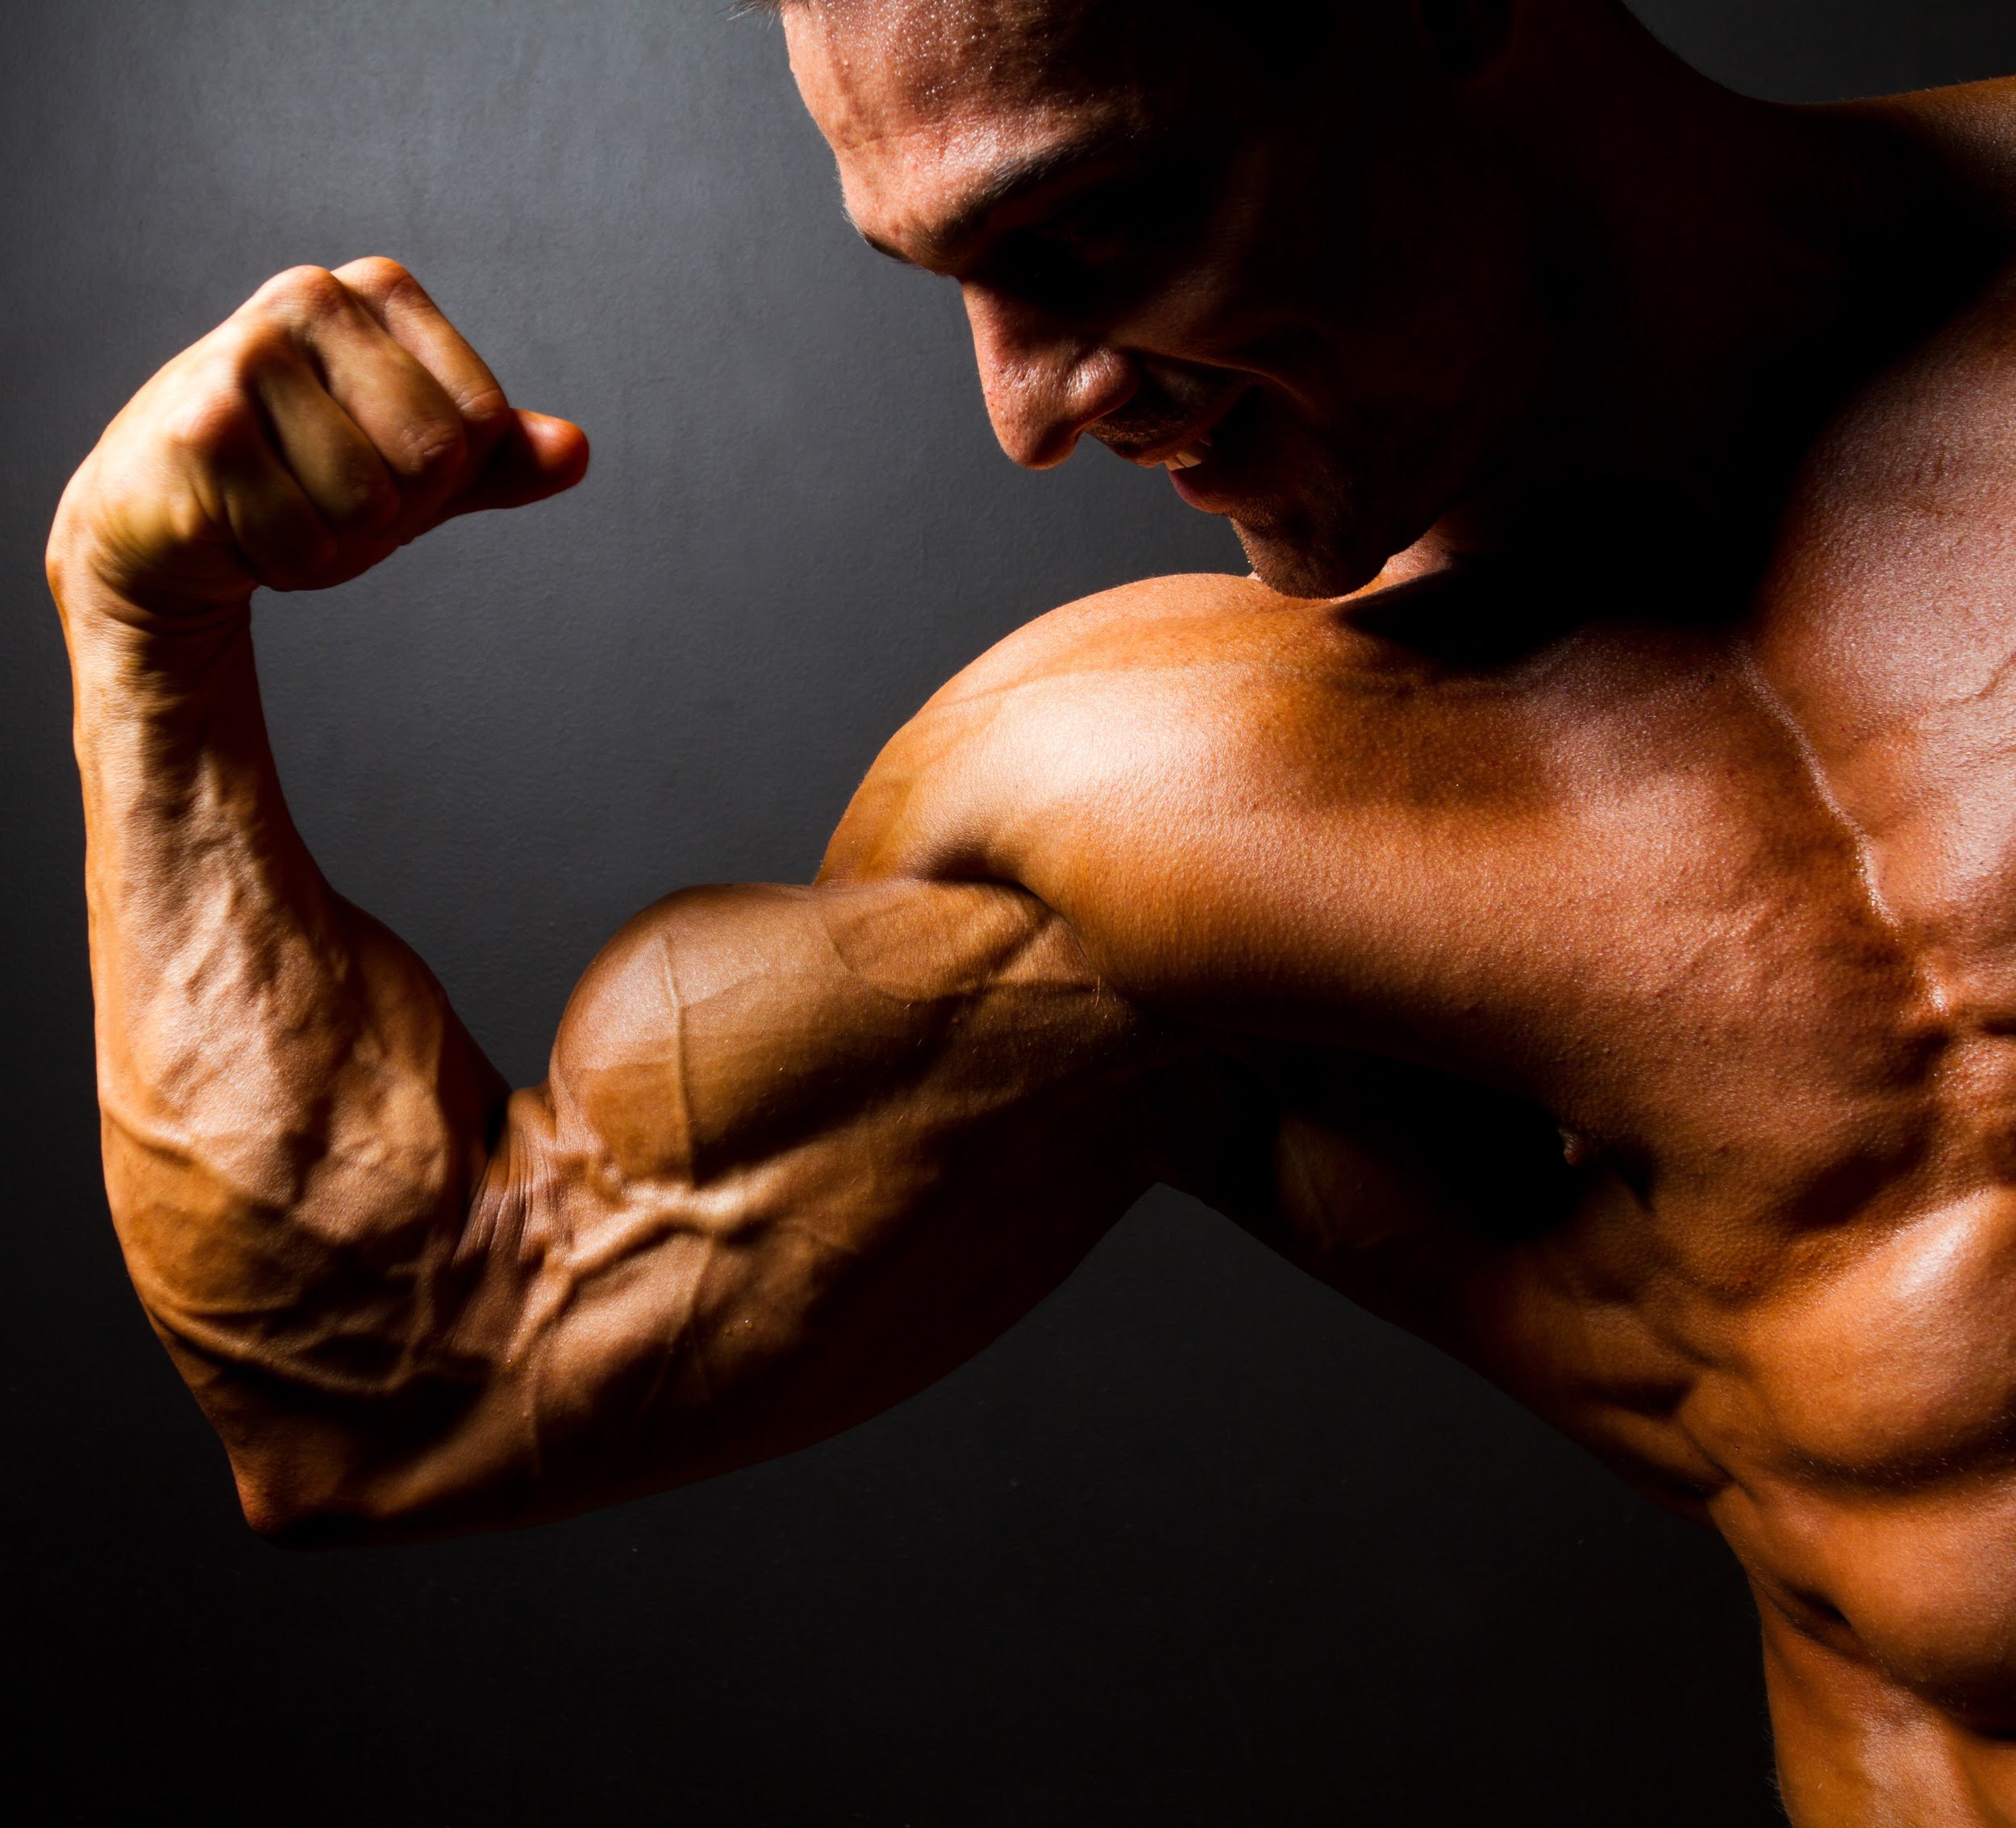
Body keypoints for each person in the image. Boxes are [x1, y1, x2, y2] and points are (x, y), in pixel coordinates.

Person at [42, 0, 2016, 1816]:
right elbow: (399, 1381)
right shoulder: (1150, 810)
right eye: (951, 286)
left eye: (1087, 222)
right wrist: (147, 640)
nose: (1023, 410)